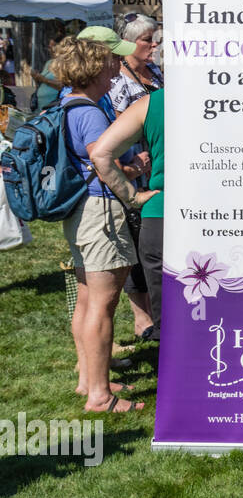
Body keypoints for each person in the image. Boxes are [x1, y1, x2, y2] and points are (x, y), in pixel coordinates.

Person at [54, 38, 149, 414]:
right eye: (109, 61)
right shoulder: (91, 112)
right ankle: (100, 396)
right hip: (101, 211)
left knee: (88, 299)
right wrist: (134, 188)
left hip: (81, 210)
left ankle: (89, 379)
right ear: (95, 68)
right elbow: (101, 159)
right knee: (103, 305)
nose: (115, 67)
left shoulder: (67, 104)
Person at [91, 89, 165, 339]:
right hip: (223, 216)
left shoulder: (153, 103)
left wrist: (132, 197)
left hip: (161, 216)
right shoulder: (241, 96)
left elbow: (101, 154)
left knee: (172, 318)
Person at [32, 33, 64, 112]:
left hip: (54, 105)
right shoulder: (49, 62)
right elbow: (40, 84)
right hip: (41, 105)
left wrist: (43, 79)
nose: (51, 49)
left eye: (54, 46)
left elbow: (62, 86)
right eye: (50, 47)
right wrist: (36, 78)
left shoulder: (64, 63)